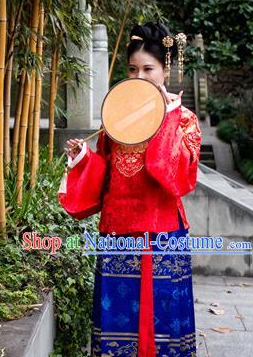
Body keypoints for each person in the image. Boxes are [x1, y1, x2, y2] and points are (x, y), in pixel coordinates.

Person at [59, 21, 202, 357]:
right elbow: (107, 176)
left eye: (148, 69)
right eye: (132, 69)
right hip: (118, 233)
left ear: (165, 70)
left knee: (164, 322)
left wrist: (167, 119)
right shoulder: (117, 118)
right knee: (116, 325)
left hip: (163, 235)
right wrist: (83, 158)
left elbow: (174, 178)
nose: (139, 78)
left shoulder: (183, 120)